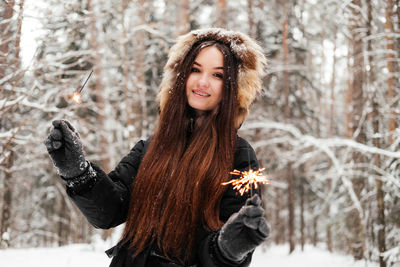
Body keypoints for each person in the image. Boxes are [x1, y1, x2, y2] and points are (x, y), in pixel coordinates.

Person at [44, 28, 269, 267]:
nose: (203, 82)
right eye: (195, 69)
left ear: (232, 87)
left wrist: (227, 248)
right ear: (181, 76)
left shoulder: (239, 155)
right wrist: (78, 172)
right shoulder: (150, 146)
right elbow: (109, 212)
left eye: (218, 75)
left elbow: (229, 241)